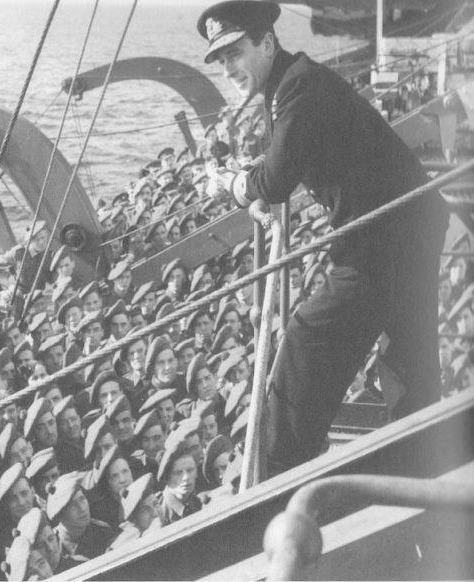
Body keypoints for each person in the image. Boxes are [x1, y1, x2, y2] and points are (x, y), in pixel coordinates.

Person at [199, 0, 449, 473]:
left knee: (306, 340)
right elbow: (284, 159)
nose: (228, 68)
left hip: (383, 239)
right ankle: (423, 473)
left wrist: (230, 184)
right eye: (222, 59)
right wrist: (255, 174)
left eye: (235, 53)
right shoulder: (292, 82)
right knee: (406, 361)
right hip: (406, 226)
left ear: (267, 43)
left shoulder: (298, 87)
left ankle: (276, 485)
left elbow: (274, 182)